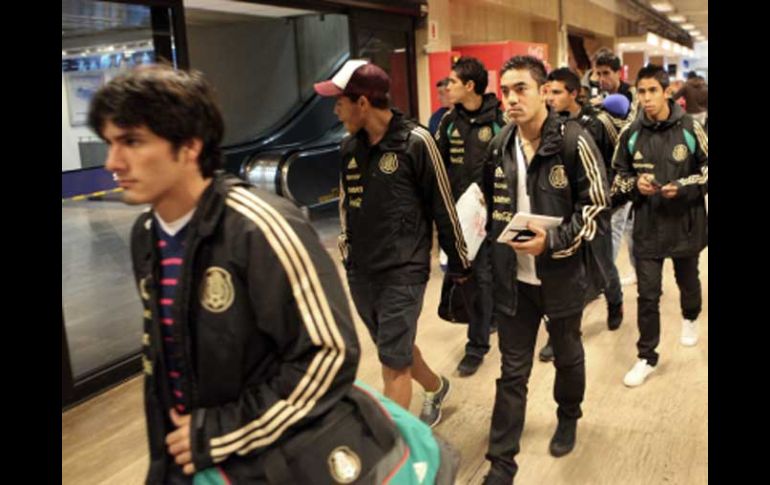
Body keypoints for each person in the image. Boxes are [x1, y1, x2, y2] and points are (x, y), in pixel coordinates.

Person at [89, 64, 433, 484]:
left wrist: (221, 432)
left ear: (190, 145)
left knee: (394, 356)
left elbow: (330, 355)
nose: (113, 161)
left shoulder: (259, 227)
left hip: (267, 461)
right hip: (186, 457)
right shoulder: (147, 236)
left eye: (132, 142)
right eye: (109, 142)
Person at [314, 60, 472, 426]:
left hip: (404, 269)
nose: (335, 109)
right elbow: (345, 206)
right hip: (362, 271)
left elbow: (443, 206)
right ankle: (435, 387)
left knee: (393, 367)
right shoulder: (348, 148)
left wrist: (460, 265)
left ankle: (396, 455)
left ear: (363, 102)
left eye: (339, 101)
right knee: (393, 349)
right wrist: (346, 254)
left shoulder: (418, 142)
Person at [481, 56, 609, 484]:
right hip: (514, 279)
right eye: (506, 91)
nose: (512, 99)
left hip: (561, 275)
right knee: (512, 371)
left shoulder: (573, 141)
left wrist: (552, 241)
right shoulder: (500, 144)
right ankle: (501, 463)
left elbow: (595, 208)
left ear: (542, 92)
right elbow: (489, 201)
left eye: (521, 89)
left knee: (567, 354)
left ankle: (568, 415)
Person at [611, 64, 708, 387]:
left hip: (685, 223)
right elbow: (618, 178)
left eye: (653, 90)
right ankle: (646, 356)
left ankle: (690, 317)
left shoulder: (691, 128)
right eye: (642, 91)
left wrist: (683, 187)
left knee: (688, 281)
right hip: (648, 226)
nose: (647, 98)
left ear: (667, 91)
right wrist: (634, 185)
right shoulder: (631, 132)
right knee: (647, 294)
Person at [435, 56, 504, 376]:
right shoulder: (449, 122)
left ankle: (477, 346)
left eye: (451, 81)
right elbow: (438, 165)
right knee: (462, 276)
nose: (446, 87)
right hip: (456, 218)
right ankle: (485, 318)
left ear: (470, 86)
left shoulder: (500, 122)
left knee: (485, 277)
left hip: (490, 217)